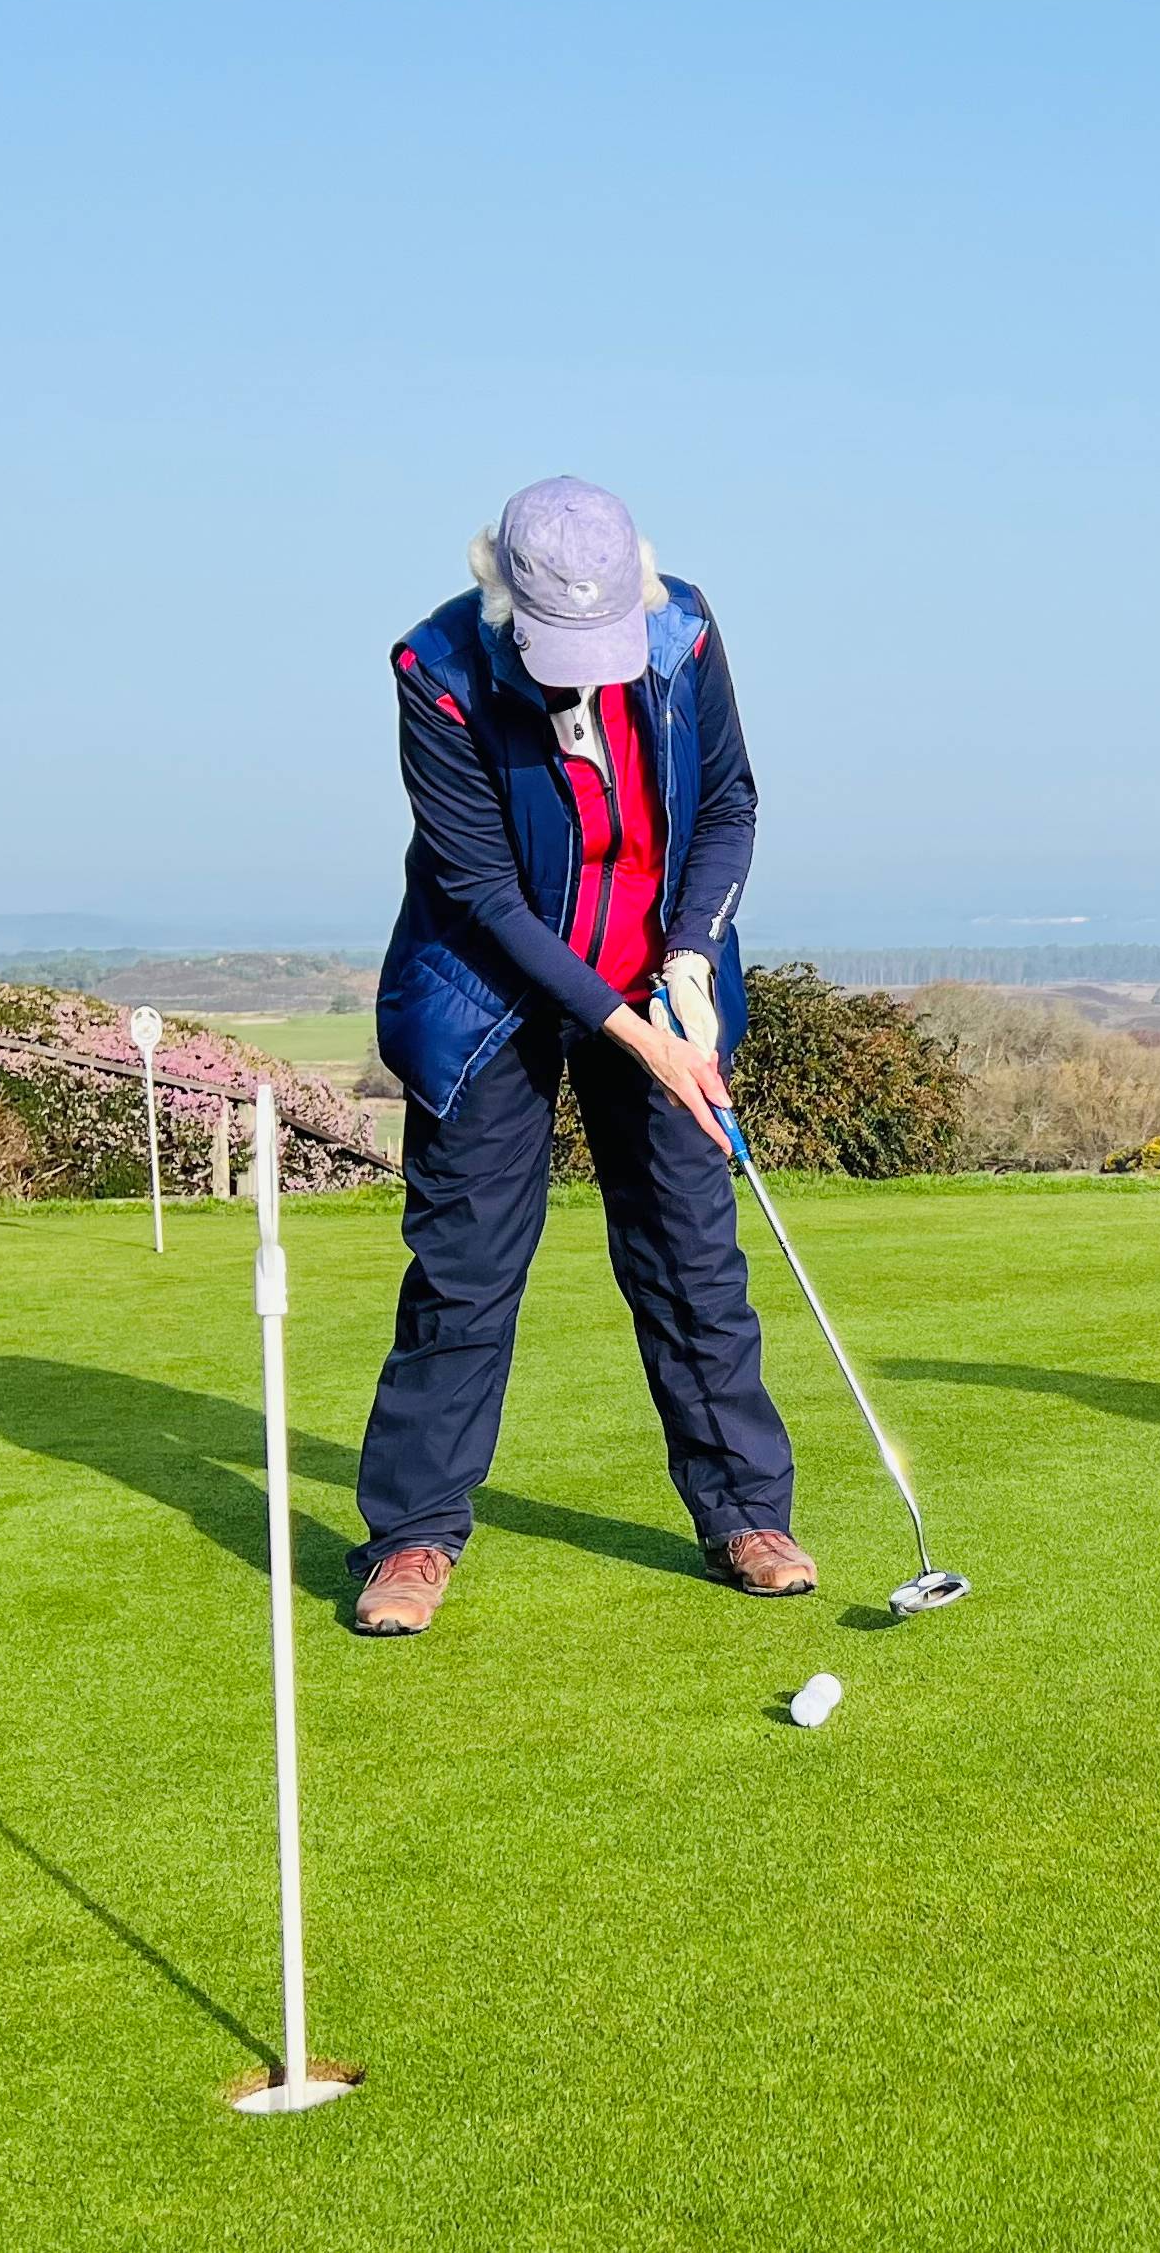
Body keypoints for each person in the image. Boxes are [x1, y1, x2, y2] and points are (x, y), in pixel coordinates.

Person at [347, 477, 808, 1636]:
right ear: (503, 598)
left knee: (694, 1255)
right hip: (490, 991)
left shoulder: (684, 630)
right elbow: (486, 897)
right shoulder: (438, 673)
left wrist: (693, 959)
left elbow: (729, 807)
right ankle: (412, 1532)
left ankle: (746, 1511)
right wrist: (640, 1036)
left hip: (660, 971)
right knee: (463, 1270)